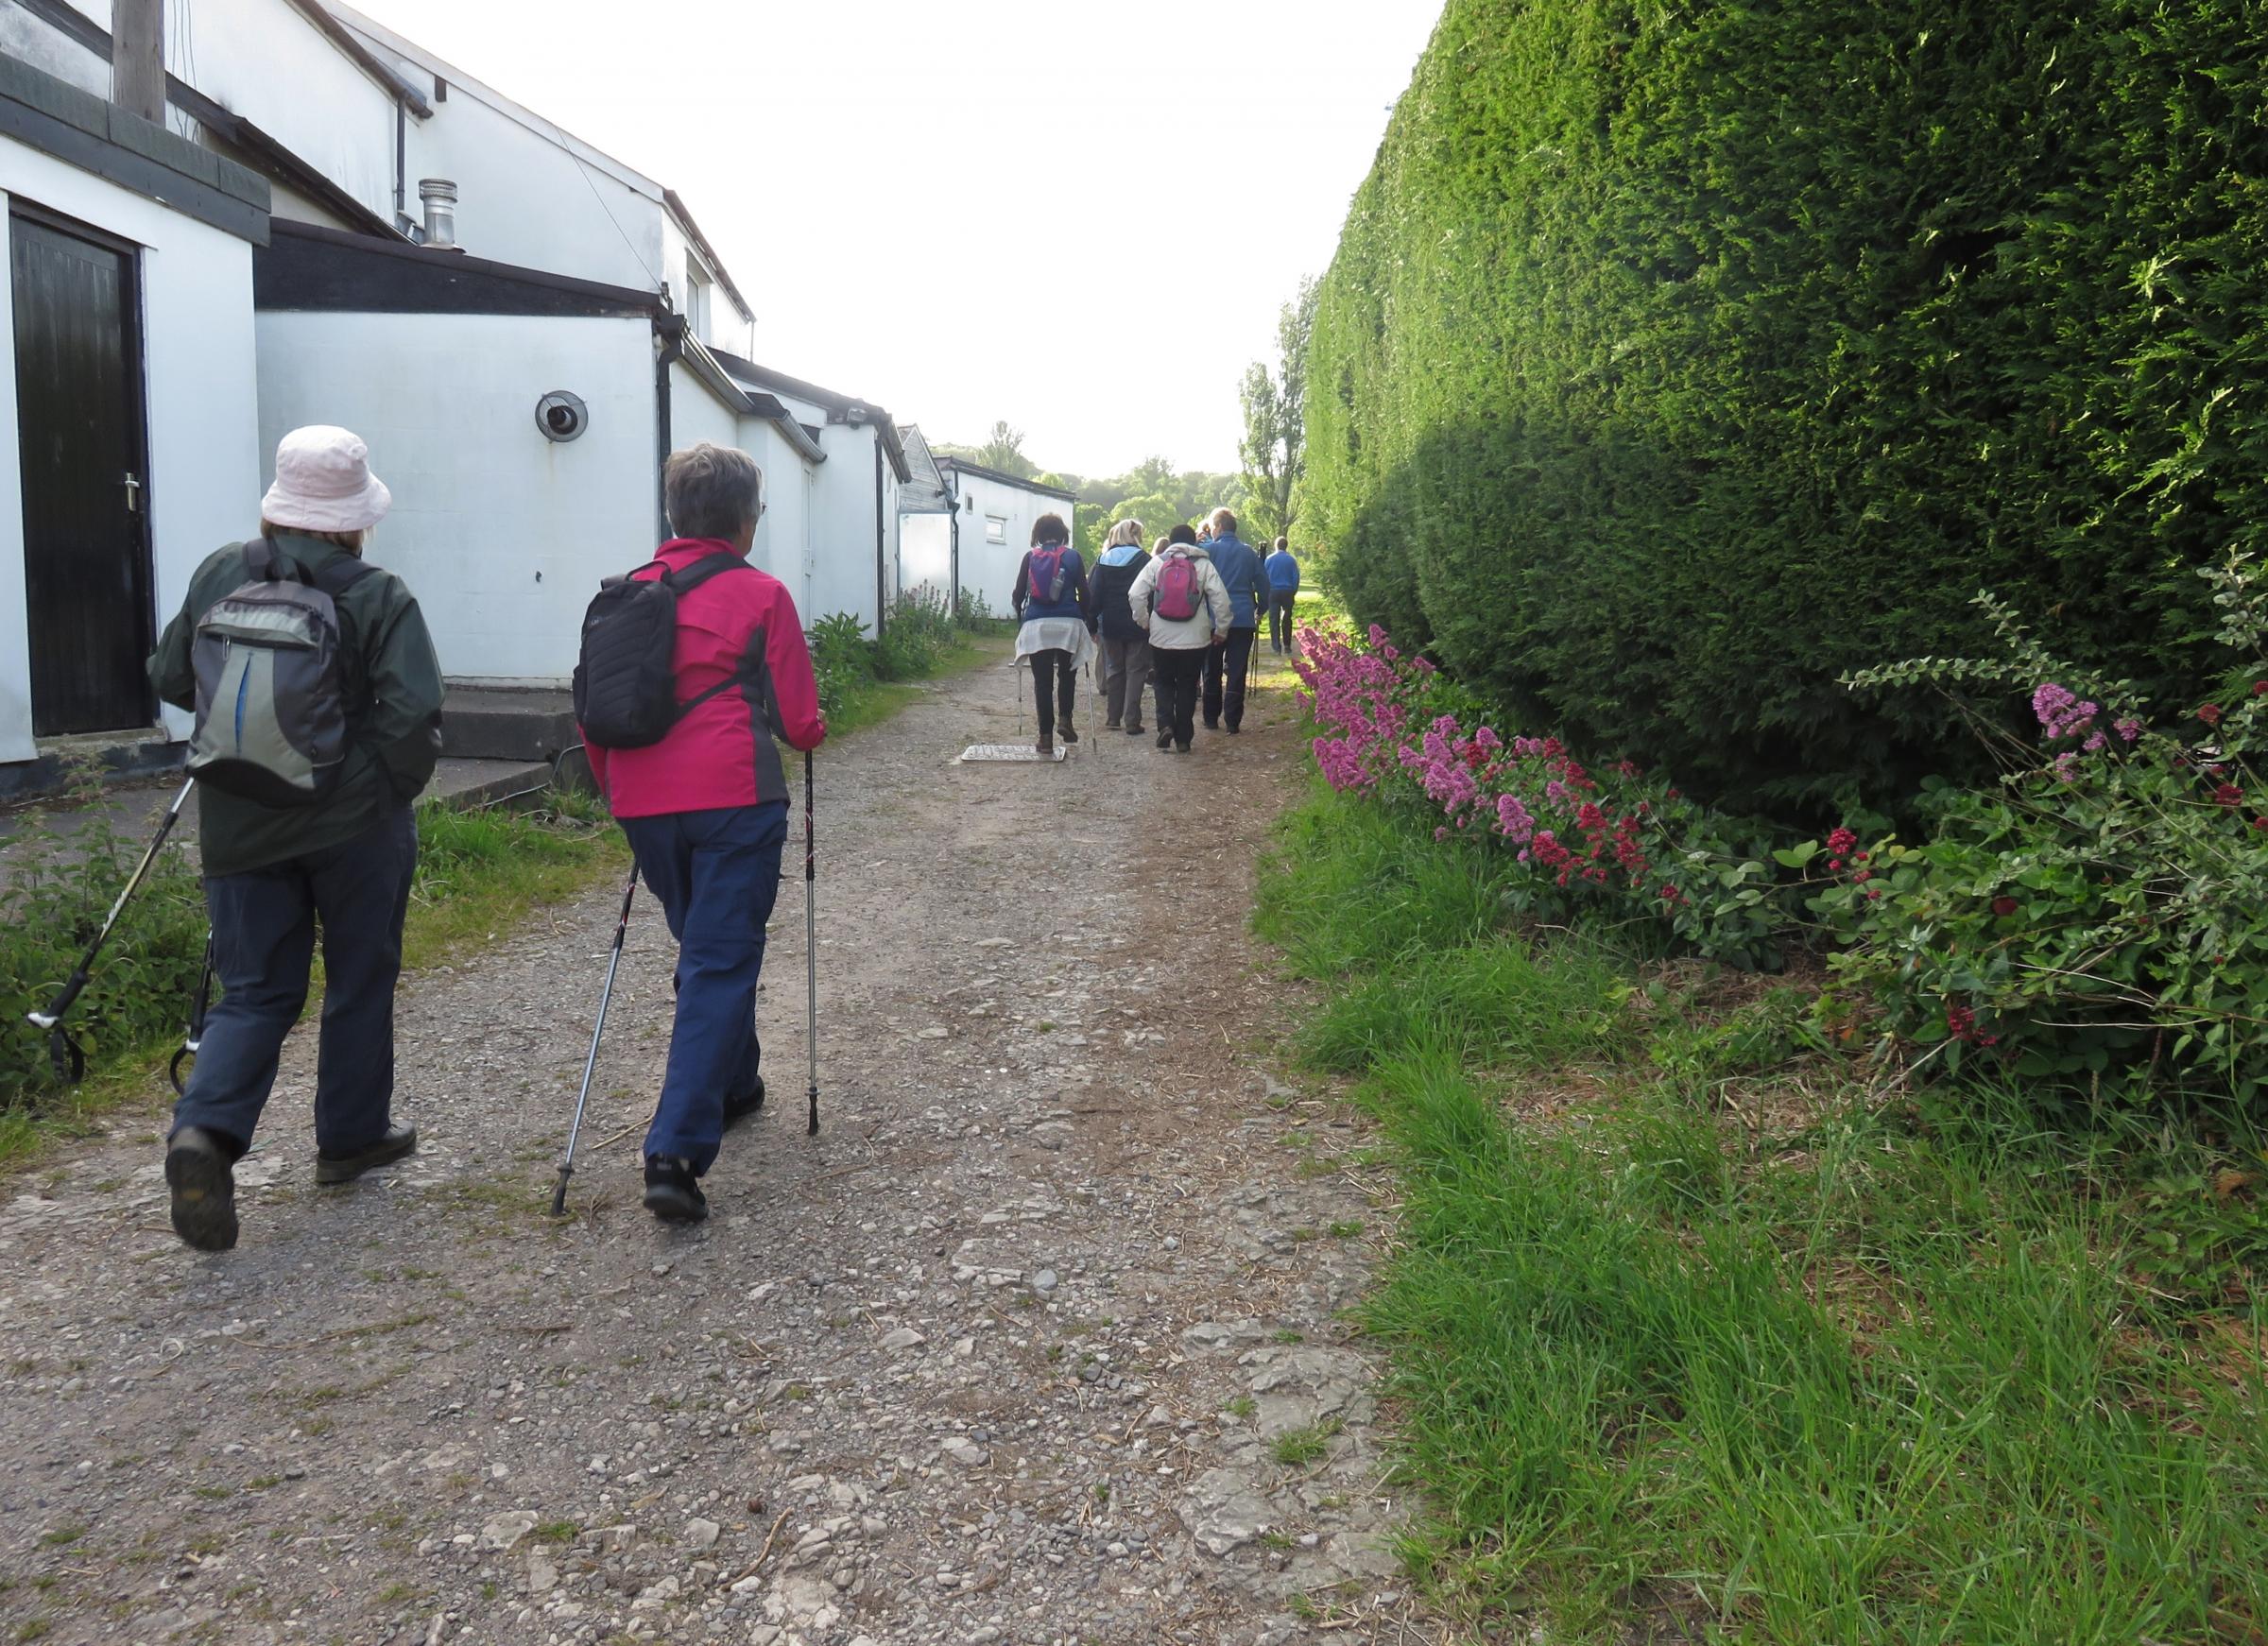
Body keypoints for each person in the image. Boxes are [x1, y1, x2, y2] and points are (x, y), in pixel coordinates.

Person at [149, 425, 444, 1253]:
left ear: (279, 505)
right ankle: (349, 1140)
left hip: (240, 818)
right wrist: (381, 790)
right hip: (354, 825)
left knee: (254, 993)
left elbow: (170, 676)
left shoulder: (220, 571)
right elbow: (414, 712)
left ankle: (205, 1133)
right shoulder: (377, 593)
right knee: (359, 976)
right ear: (355, 516)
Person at [582, 443, 826, 1224]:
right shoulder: (762, 595)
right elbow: (800, 725)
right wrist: (810, 727)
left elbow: (595, 713)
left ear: (673, 515)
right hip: (734, 798)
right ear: (747, 523)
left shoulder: (621, 595)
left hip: (644, 804)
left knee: (708, 950)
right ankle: (676, 1151)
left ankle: (736, 1083)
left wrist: (619, 789)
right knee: (720, 960)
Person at [1130, 523, 1232, 754]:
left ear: (1171, 539)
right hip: (1195, 638)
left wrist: (1145, 621)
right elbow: (1222, 601)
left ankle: (1165, 725)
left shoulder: (1157, 563)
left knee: (1163, 681)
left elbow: (1135, 594)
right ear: (1193, 542)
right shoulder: (1204, 564)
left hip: (1161, 636)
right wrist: (1222, 629)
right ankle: (1184, 738)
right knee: (1187, 684)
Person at [1011, 512, 1091, 757]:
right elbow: (1085, 593)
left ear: (1038, 535)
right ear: (1062, 533)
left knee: (1042, 682)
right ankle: (1065, 719)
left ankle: (1045, 738)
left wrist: (1021, 617)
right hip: (1068, 624)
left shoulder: (1029, 557)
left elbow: (1017, 594)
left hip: (1037, 626)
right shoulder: (1073, 556)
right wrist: (1084, 617)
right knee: (1067, 675)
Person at [1199, 507, 1267, 733]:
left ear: (1218, 527)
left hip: (1213, 619)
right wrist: (1262, 608)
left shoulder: (1209, 551)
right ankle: (1232, 719)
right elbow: (1263, 585)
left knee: (1212, 668)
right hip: (1242, 617)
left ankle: (1210, 716)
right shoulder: (1248, 553)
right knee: (1237, 670)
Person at [1084, 519, 1152, 736]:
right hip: (1137, 623)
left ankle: (1113, 717)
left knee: (1114, 669)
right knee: (1136, 671)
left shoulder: (1103, 560)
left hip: (1111, 624)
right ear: (1135, 535)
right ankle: (1132, 720)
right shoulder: (1144, 559)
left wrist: (1092, 624)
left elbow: (1093, 596)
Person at [1265, 536, 1302, 655]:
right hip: (1287, 591)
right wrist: (1293, 590)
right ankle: (1287, 645)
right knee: (1287, 618)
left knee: (1273, 618)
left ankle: (1276, 645)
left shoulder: (1269, 559)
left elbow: (1264, 576)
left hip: (1273, 591)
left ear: (1276, 545)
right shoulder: (1291, 560)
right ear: (1286, 546)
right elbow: (1296, 577)